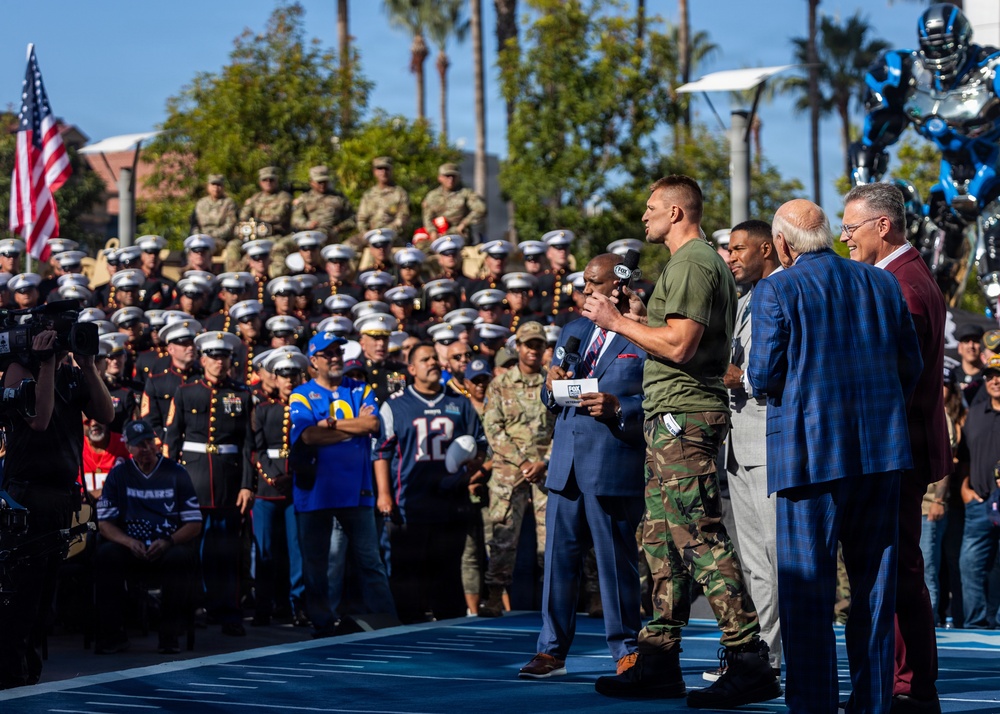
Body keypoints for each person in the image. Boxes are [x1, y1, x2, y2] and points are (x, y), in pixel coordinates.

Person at [582, 175, 776, 707]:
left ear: (674, 212)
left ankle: (748, 657)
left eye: (650, 209)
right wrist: (640, 317)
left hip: (684, 417)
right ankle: (659, 658)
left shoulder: (691, 262)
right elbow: (673, 335)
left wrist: (617, 321)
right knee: (660, 539)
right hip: (674, 415)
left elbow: (683, 346)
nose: (643, 217)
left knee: (697, 536)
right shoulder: (691, 263)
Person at [746, 198, 921, 713]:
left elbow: (763, 375)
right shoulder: (882, 283)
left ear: (781, 244)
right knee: (873, 590)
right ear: (825, 234)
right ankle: (871, 704)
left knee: (806, 594)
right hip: (879, 454)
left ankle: (814, 705)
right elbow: (909, 365)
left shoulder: (777, 286)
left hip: (807, 457)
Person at [841, 183, 950, 711]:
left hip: (896, 451)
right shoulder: (904, 277)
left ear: (882, 226)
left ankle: (909, 683)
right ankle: (905, 681)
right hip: (900, 448)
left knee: (898, 569)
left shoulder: (902, 286)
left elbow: (892, 377)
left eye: (850, 228)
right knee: (895, 566)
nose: (844, 240)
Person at [518, 254, 647, 680]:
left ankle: (626, 648)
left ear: (618, 285)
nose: (585, 291)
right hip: (566, 464)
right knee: (557, 563)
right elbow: (550, 398)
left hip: (611, 461)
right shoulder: (573, 330)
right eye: (582, 283)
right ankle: (551, 650)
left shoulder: (644, 332)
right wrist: (551, 387)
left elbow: (659, 398)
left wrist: (620, 407)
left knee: (614, 564)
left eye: (593, 283)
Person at [851, 4, 1000, 308]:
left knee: (994, 274)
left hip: (994, 171)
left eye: (945, 46)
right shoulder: (907, 74)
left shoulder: (991, 69)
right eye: (932, 49)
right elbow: (871, 140)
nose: (940, 57)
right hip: (950, 180)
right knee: (930, 274)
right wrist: (862, 192)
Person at [0, 324, 115, 689]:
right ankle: (11, 673)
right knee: (22, 595)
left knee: (45, 594)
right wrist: (45, 363)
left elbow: (106, 414)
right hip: (27, 496)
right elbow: (40, 419)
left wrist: (89, 365)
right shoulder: (19, 370)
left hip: (61, 494)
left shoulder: (71, 372)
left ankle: (28, 672)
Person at [289, 331, 396, 638]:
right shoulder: (301, 394)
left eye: (338, 351)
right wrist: (352, 429)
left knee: (370, 561)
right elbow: (308, 436)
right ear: (313, 361)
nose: (336, 358)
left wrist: (330, 425)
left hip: (357, 490)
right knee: (317, 565)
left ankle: (386, 620)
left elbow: (373, 425)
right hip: (315, 493)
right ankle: (322, 623)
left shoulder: (360, 388)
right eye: (328, 354)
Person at [374, 343, 487, 623]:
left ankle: (448, 630)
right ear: (411, 369)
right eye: (426, 359)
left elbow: (481, 444)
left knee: (447, 574)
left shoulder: (459, 403)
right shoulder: (395, 405)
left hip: (451, 502)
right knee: (408, 576)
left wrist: (472, 464)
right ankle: (407, 631)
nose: (433, 363)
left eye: (435, 358)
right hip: (409, 503)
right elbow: (381, 452)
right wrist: (384, 495)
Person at [719, 219, 783, 681]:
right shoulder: (745, 300)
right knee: (755, 564)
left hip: (769, 443)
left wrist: (731, 374)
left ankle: (785, 658)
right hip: (738, 446)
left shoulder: (782, 291)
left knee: (779, 559)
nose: (733, 257)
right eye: (729, 249)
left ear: (768, 247)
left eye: (740, 249)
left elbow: (778, 369)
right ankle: (765, 658)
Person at [164, 330, 255, 637]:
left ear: (231, 361)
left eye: (224, 357)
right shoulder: (186, 392)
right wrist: (172, 484)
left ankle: (228, 610)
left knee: (227, 552)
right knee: (193, 551)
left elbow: (247, 446)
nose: (219, 362)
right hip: (193, 481)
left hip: (229, 483)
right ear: (202, 360)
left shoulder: (243, 395)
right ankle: (195, 607)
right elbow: (172, 439)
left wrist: (247, 485)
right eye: (214, 357)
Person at [94, 419, 202, 654]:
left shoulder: (176, 472)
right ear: (129, 448)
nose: (146, 449)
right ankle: (113, 635)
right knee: (105, 555)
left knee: (179, 558)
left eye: (149, 443)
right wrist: (128, 541)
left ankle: (169, 636)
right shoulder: (119, 474)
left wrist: (168, 541)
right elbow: (104, 524)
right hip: (131, 546)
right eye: (139, 445)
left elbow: (194, 523)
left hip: (166, 545)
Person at [479, 321, 555, 617]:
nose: (533, 350)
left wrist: (544, 461)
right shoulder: (500, 384)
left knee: (551, 539)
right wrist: (524, 462)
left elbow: (563, 427)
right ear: (518, 348)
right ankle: (495, 596)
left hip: (546, 472)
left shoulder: (552, 383)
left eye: (538, 344)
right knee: (503, 536)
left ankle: (553, 600)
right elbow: (493, 428)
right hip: (509, 472)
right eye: (528, 344)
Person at [251, 348, 310, 627]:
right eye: (284, 375)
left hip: (298, 487)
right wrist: (275, 478)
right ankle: (263, 606)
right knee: (265, 550)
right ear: (275, 377)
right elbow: (257, 450)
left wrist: (295, 475)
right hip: (268, 489)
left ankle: (297, 605)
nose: (289, 380)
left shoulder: (309, 408)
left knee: (297, 551)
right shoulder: (263, 409)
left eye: (294, 375)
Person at [957, 354, 1000, 632]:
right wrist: (964, 487)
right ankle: (976, 623)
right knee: (970, 564)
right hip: (978, 503)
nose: (996, 381)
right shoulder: (975, 413)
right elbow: (964, 456)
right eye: (991, 376)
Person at [421, 163, 487, 242]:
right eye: (447, 176)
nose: (451, 179)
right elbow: (427, 217)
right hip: (437, 232)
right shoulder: (432, 196)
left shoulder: (466, 193)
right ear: (440, 178)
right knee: (421, 245)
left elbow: (480, 209)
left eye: (453, 176)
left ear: (458, 178)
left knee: (450, 242)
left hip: (458, 233)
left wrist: (464, 224)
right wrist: (432, 231)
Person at [356, 156, 410, 238]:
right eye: (380, 169)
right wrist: (366, 233)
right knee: (346, 247)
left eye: (386, 169)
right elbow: (361, 219)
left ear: (391, 171)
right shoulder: (368, 195)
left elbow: (403, 218)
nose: (383, 172)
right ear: (374, 172)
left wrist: (384, 232)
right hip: (370, 235)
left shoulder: (400, 193)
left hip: (392, 236)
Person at [192, 174, 238, 252]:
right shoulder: (201, 203)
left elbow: (230, 225)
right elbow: (194, 224)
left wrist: (212, 235)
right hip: (200, 238)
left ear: (223, 187)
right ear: (208, 186)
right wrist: (197, 236)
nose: (216, 188)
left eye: (219, 185)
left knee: (205, 248)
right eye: (213, 185)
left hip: (219, 239)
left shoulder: (228, 203)